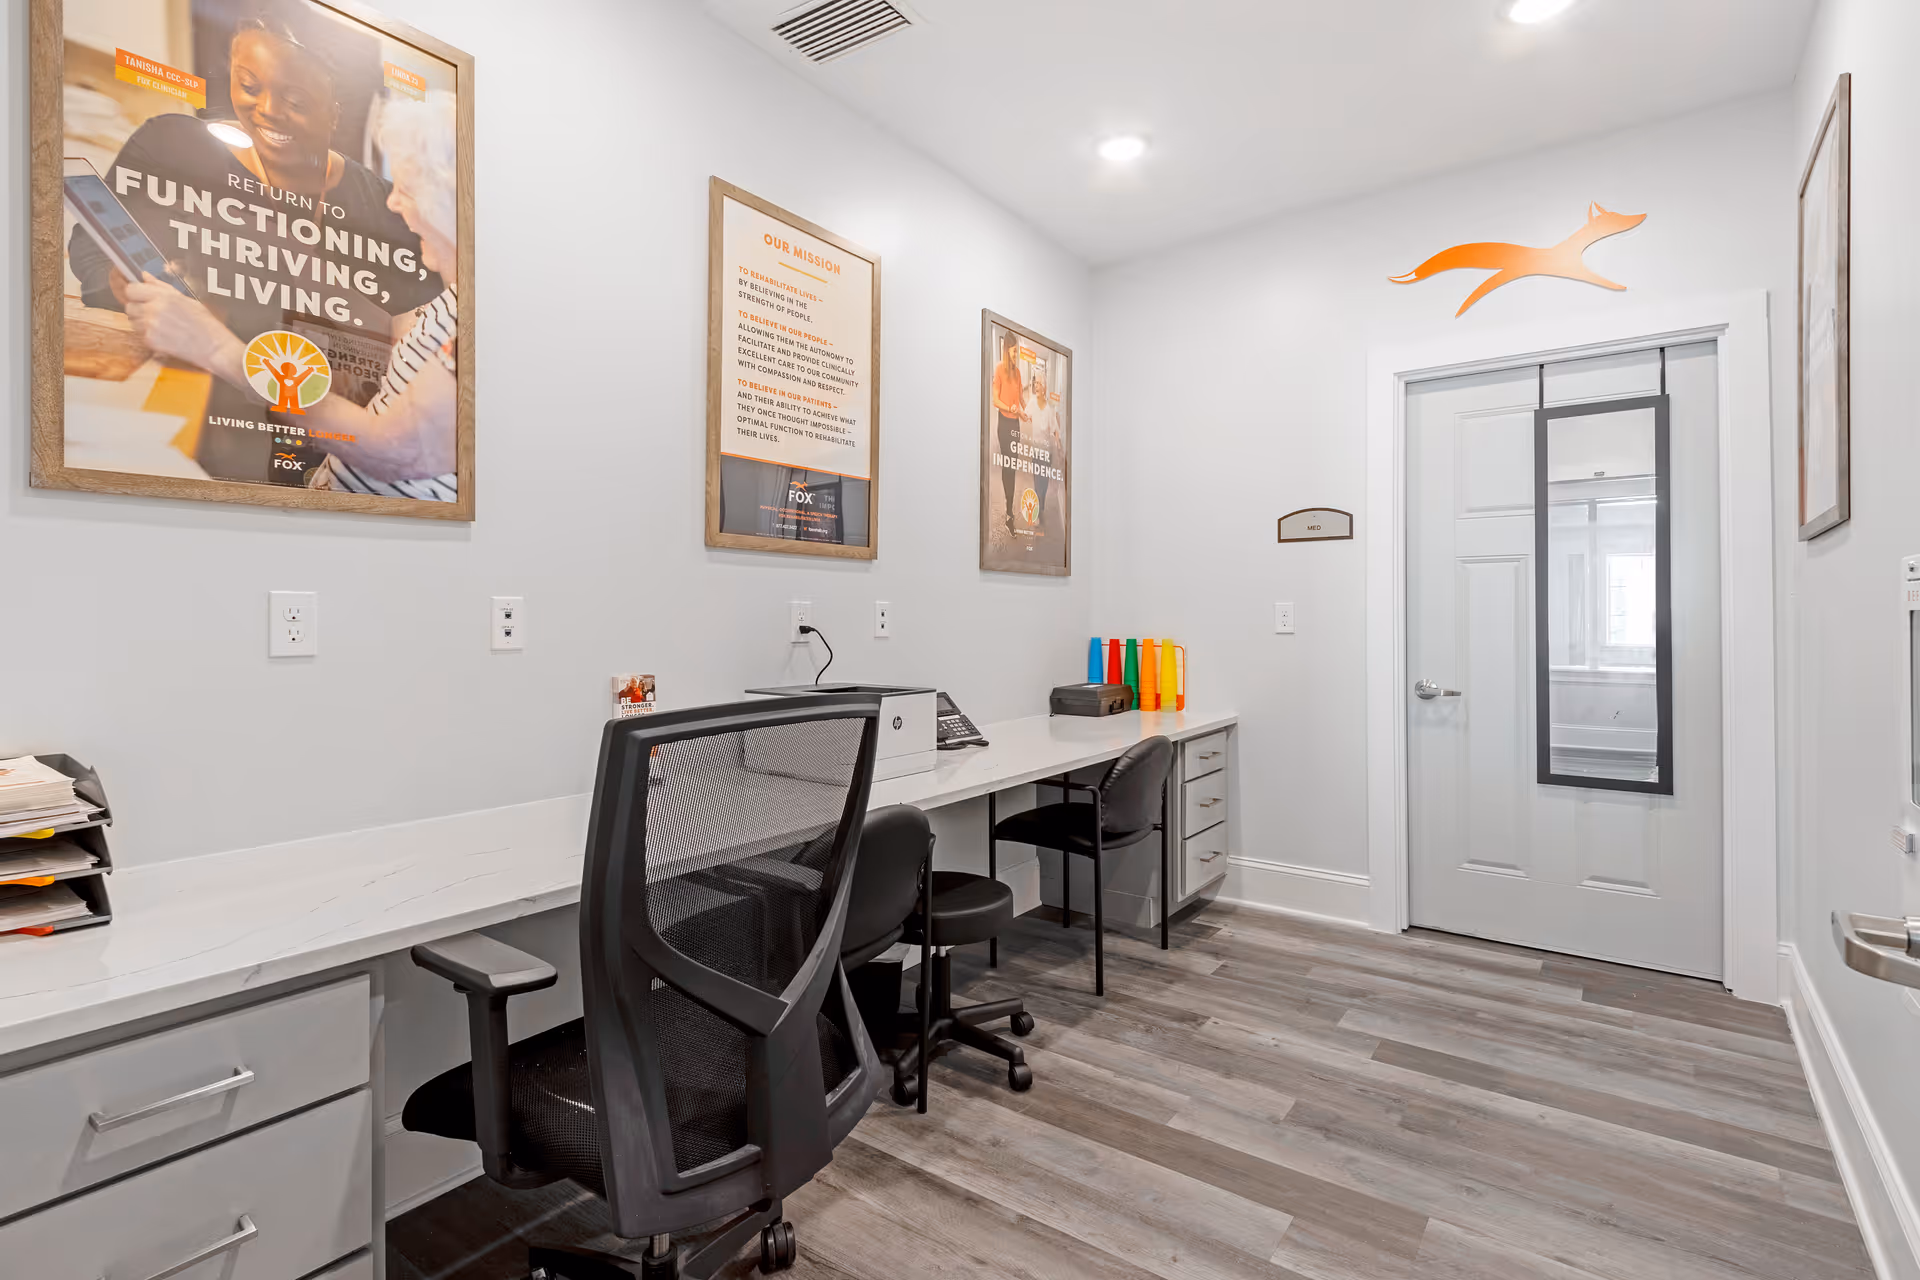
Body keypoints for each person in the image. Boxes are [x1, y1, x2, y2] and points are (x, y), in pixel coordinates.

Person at [70, 8, 444, 483]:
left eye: (295, 98)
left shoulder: (383, 206)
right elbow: (91, 251)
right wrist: (124, 284)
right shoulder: (173, 148)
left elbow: (416, 358)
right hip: (194, 430)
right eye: (248, 85)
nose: (267, 109)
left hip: (342, 453)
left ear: (334, 111)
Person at [123, 90, 461, 498]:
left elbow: (394, 452)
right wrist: (286, 249)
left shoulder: (474, 322)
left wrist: (218, 350)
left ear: (447, 201)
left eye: (406, 189)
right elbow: (395, 328)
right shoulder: (453, 302)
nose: (392, 201)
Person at [991, 334, 1029, 535]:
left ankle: (1008, 511)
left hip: (1015, 424)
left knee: (1012, 467)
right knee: (1008, 466)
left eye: (1018, 352)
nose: (1017, 355)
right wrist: (1010, 408)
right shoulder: (999, 369)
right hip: (1004, 423)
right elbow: (995, 400)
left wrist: (1026, 412)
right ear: (1007, 350)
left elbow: (1021, 398)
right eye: (1015, 352)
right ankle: (1008, 513)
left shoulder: (1018, 372)